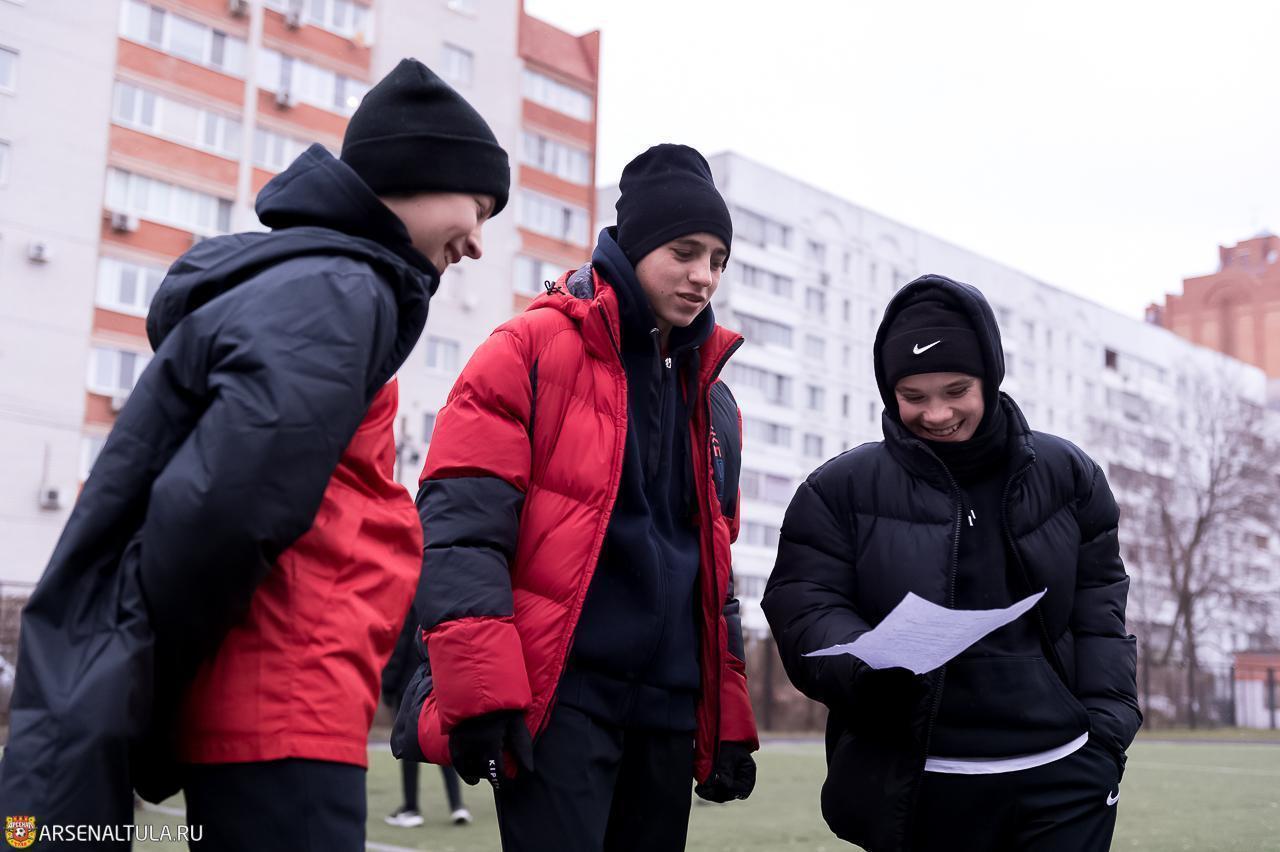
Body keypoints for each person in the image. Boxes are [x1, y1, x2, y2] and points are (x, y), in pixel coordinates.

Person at [0, 59, 509, 852]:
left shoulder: (321, 285)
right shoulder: (341, 291)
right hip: (283, 701)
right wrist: (155, 687)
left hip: (279, 700)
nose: (477, 241)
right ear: (415, 175)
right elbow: (224, 509)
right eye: (476, 208)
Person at [391, 144, 759, 852]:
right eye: (684, 252)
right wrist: (481, 695)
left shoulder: (715, 401)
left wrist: (728, 719)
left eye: (718, 259)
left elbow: (717, 576)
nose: (704, 276)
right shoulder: (526, 348)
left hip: (668, 714)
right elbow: (462, 532)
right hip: (562, 702)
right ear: (636, 245)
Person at [762, 274, 1141, 852]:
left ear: (990, 377)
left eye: (956, 390)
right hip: (919, 783)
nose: (937, 413)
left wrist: (1107, 734)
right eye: (914, 396)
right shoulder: (837, 490)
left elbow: (1100, 611)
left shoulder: (1069, 475)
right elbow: (804, 608)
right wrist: (869, 668)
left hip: (1064, 775)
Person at [382, 616, 472, 827]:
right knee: (443, 739)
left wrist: (388, 686)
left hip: (412, 685)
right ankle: (457, 805)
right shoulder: (443, 603)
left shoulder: (411, 604)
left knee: (408, 744)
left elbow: (400, 647)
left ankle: (411, 808)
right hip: (440, 679)